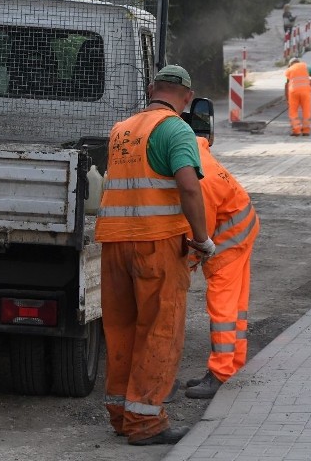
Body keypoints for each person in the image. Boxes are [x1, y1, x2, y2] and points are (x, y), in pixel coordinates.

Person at [95, 64, 215, 446]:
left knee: (121, 330)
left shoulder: (121, 130)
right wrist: (202, 239)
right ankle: (146, 423)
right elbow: (189, 188)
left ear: (151, 89)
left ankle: (121, 415)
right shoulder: (176, 128)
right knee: (159, 330)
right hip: (156, 244)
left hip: (114, 244)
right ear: (186, 97)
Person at [183, 136, 260, 399]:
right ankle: (233, 364)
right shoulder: (191, 151)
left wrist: (186, 266)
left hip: (229, 239)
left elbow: (200, 234)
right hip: (243, 226)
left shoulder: (199, 185)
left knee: (222, 303)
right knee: (236, 303)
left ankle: (219, 372)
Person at [284, 57, 311, 137]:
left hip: (293, 92)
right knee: (306, 110)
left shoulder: (289, 69)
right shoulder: (306, 67)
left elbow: (287, 85)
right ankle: (306, 131)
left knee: (293, 111)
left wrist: (287, 98)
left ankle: (296, 131)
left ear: (290, 64)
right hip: (305, 92)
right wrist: (309, 85)